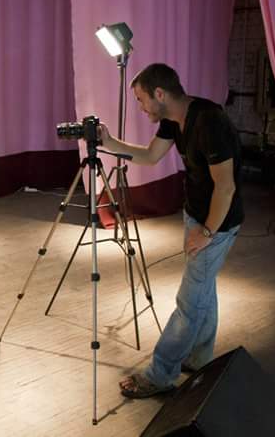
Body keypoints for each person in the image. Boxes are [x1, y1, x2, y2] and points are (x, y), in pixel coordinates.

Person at [98, 63, 243, 398]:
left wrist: (206, 232)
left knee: (189, 301)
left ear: (160, 94)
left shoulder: (209, 122)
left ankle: (159, 375)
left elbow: (226, 187)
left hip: (217, 223)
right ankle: (199, 357)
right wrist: (109, 142)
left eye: (141, 99)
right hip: (197, 215)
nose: (141, 107)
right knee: (203, 288)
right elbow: (150, 156)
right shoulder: (173, 119)